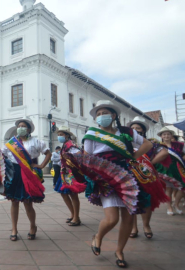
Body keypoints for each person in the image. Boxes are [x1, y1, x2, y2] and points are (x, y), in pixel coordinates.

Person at [62, 100, 153, 268]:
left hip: (127, 176)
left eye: (105, 113)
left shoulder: (126, 132)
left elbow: (147, 144)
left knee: (128, 217)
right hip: (106, 178)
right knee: (112, 219)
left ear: (113, 115)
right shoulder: (91, 134)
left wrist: (133, 157)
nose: (102, 116)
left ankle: (119, 251)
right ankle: (98, 236)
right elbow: (87, 159)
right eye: (99, 114)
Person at [0, 118, 51, 241]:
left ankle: (32, 226)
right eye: (19, 126)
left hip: (29, 173)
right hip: (15, 174)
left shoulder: (36, 142)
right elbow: (1, 155)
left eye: (23, 126)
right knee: (14, 202)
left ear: (28, 129)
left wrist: (41, 166)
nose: (21, 127)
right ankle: (14, 229)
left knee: (28, 203)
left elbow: (48, 153)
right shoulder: (12, 143)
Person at [127, 116, 170, 239]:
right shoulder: (125, 143)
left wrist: (151, 162)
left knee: (147, 201)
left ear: (143, 130)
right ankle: (133, 227)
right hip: (129, 176)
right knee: (131, 201)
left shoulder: (152, 143)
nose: (135, 130)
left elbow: (164, 152)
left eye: (138, 128)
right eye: (133, 128)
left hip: (147, 178)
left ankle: (146, 225)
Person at [156, 127, 185, 215]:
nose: (166, 136)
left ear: (171, 135)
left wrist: (183, 158)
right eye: (164, 134)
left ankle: (176, 204)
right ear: (161, 136)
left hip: (178, 169)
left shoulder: (179, 144)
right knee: (168, 189)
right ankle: (169, 207)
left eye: (168, 134)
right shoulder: (158, 146)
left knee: (182, 187)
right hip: (165, 169)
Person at [54, 126, 86, 226]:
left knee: (73, 194)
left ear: (67, 135)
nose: (60, 137)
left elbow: (79, 156)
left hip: (71, 173)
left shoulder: (71, 145)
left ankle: (76, 217)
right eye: (58, 135)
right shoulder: (65, 145)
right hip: (64, 172)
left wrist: (70, 159)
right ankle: (73, 214)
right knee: (63, 193)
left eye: (61, 135)